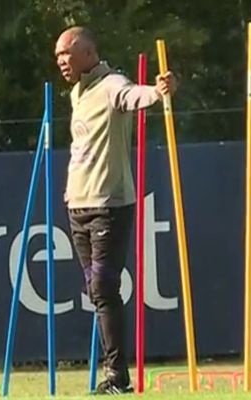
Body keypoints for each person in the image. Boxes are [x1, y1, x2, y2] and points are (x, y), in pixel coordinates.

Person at [54, 26, 177, 395]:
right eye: (57, 57)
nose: (60, 62)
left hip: (109, 205)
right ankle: (115, 374)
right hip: (78, 205)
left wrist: (157, 91)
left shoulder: (110, 84)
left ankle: (116, 377)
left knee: (104, 287)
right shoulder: (78, 92)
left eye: (66, 54)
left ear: (87, 53)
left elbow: (131, 96)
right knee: (97, 291)